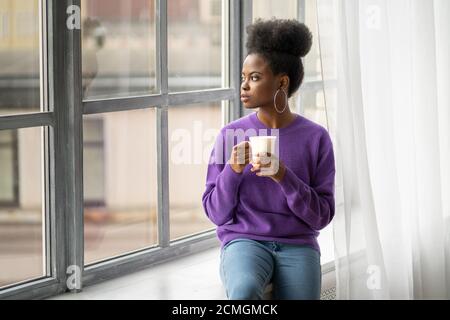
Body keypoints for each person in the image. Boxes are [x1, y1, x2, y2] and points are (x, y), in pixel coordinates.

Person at [202, 18, 336, 300]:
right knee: (244, 292)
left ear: (282, 82)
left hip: (298, 245)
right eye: (243, 77)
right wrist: (232, 171)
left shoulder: (316, 138)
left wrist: (283, 176)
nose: (244, 86)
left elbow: (322, 215)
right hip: (244, 241)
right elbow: (216, 213)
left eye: (254, 77)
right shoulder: (231, 135)